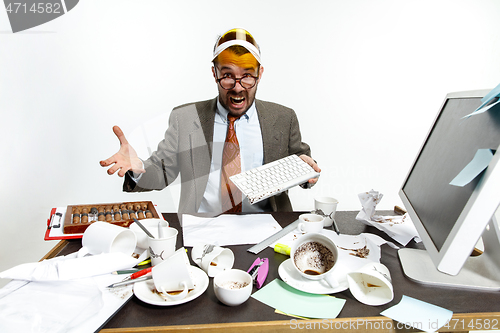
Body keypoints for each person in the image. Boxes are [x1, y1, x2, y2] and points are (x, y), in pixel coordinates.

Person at [100, 28, 321, 215]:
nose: (237, 86)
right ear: (214, 73)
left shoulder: (283, 118)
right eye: (227, 75)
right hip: (203, 228)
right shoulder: (185, 118)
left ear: (259, 74)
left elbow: (302, 164)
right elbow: (163, 171)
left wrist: (306, 171)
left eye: (247, 76)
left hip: (265, 227)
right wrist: (138, 168)